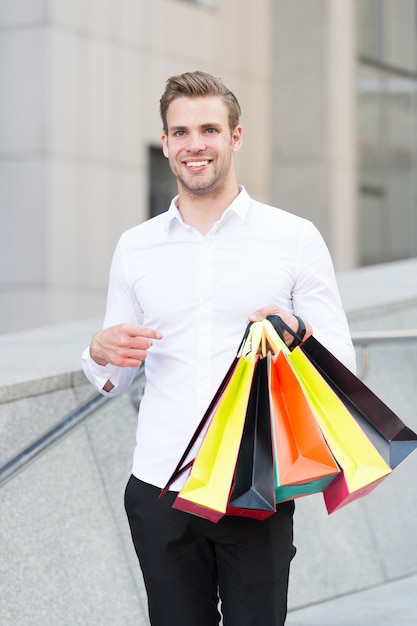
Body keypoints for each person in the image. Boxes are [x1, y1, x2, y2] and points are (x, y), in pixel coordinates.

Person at [82, 70, 356, 626]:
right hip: (161, 488)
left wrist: (296, 333)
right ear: (165, 144)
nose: (194, 144)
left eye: (209, 128)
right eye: (180, 132)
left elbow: (341, 365)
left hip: (252, 489)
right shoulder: (135, 249)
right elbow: (114, 376)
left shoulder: (293, 237)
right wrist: (99, 351)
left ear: (235, 137)